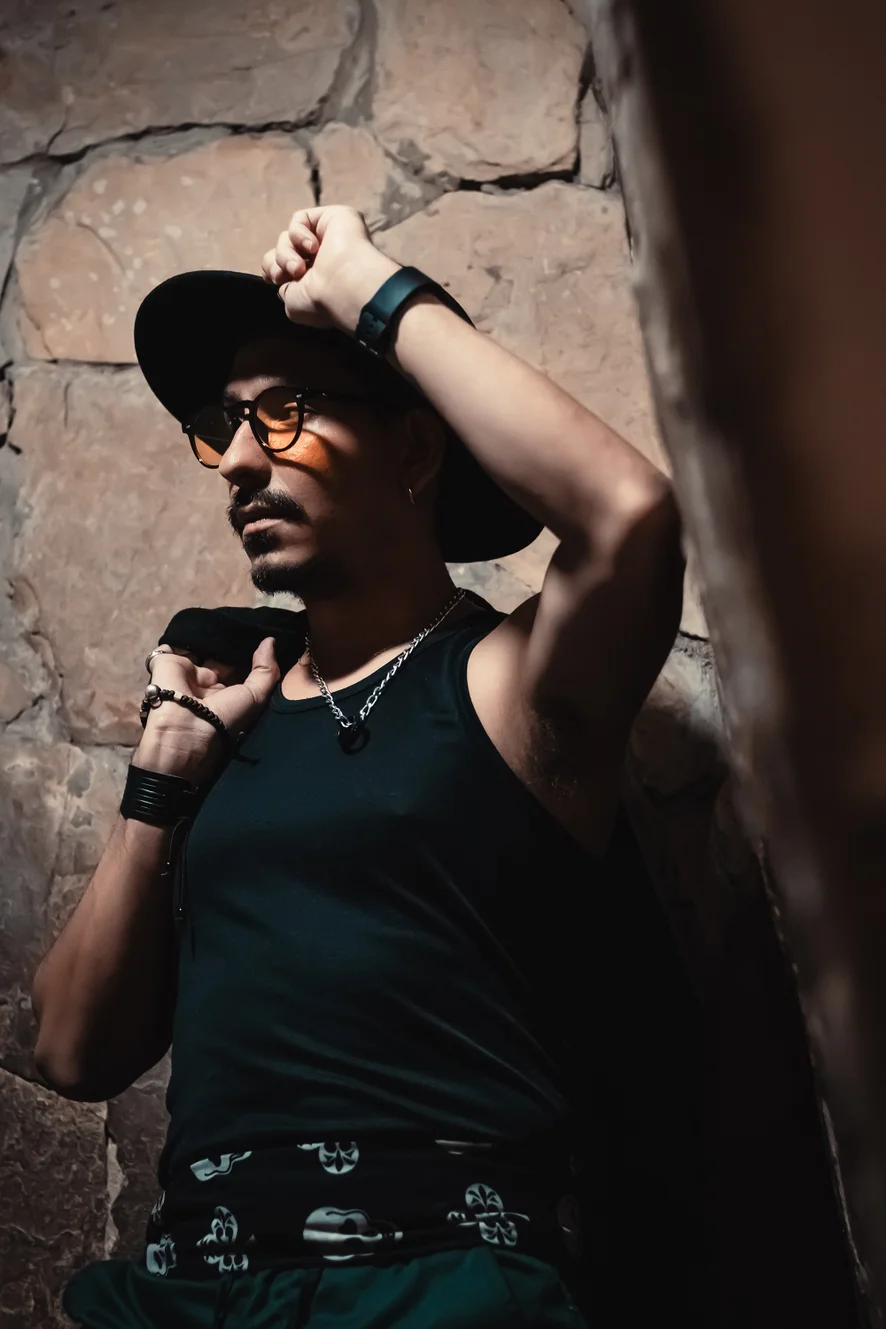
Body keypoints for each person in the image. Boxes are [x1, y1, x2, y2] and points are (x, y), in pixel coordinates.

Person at [32, 204, 684, 1328]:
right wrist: (165, 777)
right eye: (223, 427)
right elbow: (71, 1047)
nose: (239, 461)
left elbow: (628, 514)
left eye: (283, 413)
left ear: (416, 450)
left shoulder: (502, 683)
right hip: (191, 1290)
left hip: (439, 1285)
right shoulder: (224, 714)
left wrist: (372, 290)